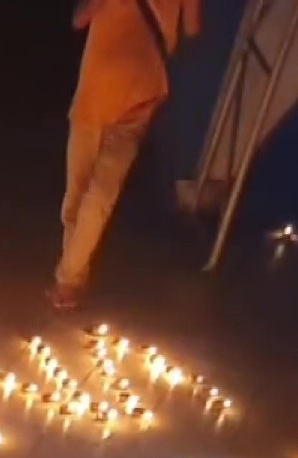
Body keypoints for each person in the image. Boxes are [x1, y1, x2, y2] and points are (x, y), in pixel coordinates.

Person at [51, 0, 202, 309]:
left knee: (100, 193)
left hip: (138, 101)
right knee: (76, 197)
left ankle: (68, 280)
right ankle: (72, 277)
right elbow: (80, 19)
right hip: (92, 99)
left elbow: (192, 29)